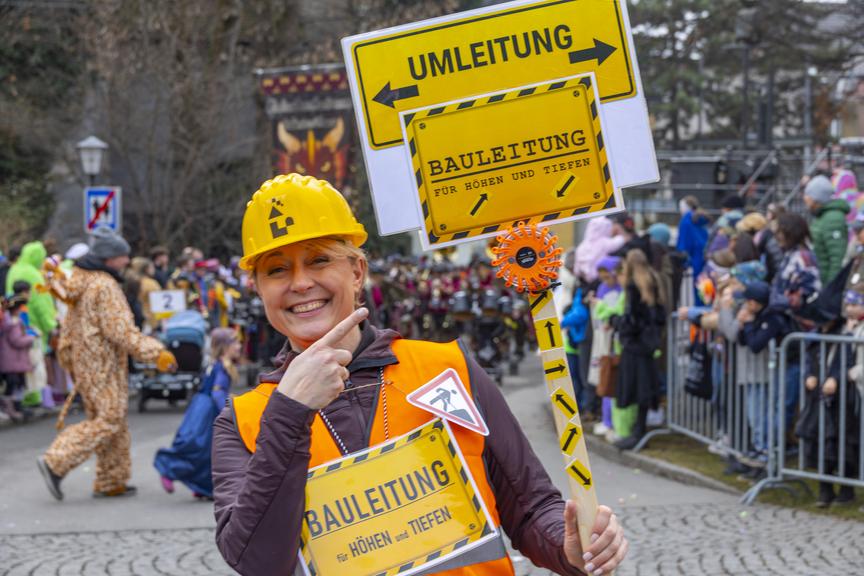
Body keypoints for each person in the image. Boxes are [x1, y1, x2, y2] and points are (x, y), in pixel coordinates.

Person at [211, 174, 628, 576]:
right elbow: (258, 563)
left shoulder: (449, 368)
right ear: (258, 288)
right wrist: (290, 411)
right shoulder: (244, 420)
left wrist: (568, 546)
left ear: (357, 272)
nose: (300, 283)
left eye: (319, 260)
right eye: (277, 270)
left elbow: (531, 506)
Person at [36, 227, 178, 500]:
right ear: (109, 258)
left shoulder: (83, 280)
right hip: (103, 363)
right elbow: (120, 331)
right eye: (123, 256)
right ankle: (55, 460)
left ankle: (111, 480)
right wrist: (155, 353)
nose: (126, 261)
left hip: (86, 362)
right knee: (110, 419)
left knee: (112, 419)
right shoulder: (104, 285)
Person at [155, 327, 240, 499]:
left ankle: (201, 487)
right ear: (225, 346)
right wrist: (229, 410)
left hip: (200, 405)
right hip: (208, 410)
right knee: (199, 447)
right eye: (236, 342)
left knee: (206, 449)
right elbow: (217, 392)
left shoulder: (213, 363)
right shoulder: (224, 366)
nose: (239, 346)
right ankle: (168, 470)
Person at [610, 249, 666, 450]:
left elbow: (632, 321)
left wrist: (615, 321)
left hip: (634, 346)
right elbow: (659, 317)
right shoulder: (654, 282)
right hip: (648, 345)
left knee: (635, 387)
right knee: (643, 388)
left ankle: (637, 432)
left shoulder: (633, 287)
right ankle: (639, 429)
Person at [5, 241, 57, 348]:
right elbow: (42, 302)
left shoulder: (13, 269)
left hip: (17, 323)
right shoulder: (33, 274)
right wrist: (51, 325)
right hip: (36, 325)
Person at [805, 174, 849, 284]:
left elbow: (837, 258)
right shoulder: (821, 216)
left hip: (826, 285)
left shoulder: (833, 219)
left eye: (809, 199)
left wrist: (830, 290)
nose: (807, 204)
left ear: (817, 199)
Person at [0, 294, 35, 422]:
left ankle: (16, 407)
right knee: (15, 384)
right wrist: (31, 338)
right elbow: (17, 340)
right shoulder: (14, 322)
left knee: (15, 383)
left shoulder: (7, 320)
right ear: (17, 308)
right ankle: (13, 409)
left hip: (10, 359)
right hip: (13, 359)